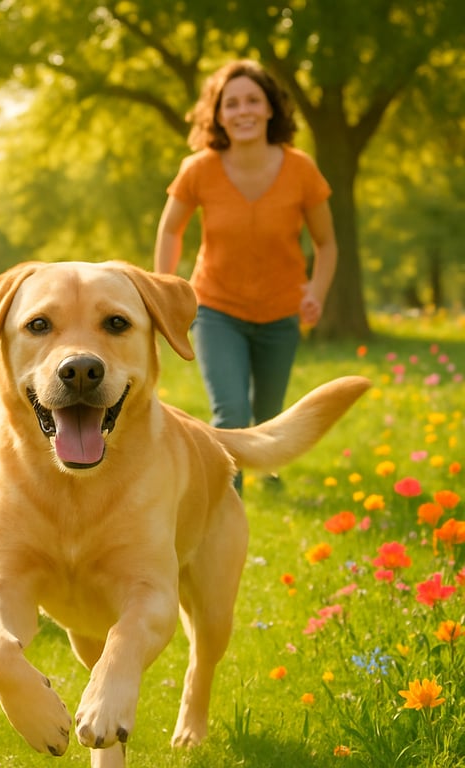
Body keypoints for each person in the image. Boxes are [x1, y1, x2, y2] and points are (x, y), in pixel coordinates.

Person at [154, 59, 337, 489]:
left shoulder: (301, 170)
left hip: (280, 311)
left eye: (253, 100)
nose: (243, 111)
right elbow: (170, 230)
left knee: (271, 412)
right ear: (217, 115)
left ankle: (269, 474)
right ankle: (227, 502)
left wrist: (318, 290)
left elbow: (327, 243)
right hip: (217, 308)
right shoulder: (198, 169)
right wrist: (163, 292)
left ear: (271, 108)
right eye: (231, 103)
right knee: (232, 412)